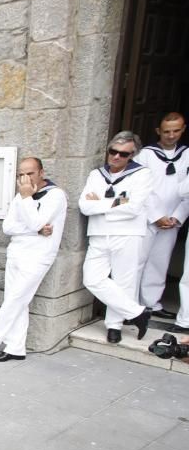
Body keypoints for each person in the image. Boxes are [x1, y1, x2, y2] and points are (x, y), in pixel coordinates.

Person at [0, 158, 67, 362]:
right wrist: (36, 230)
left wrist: (29, 204)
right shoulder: (19, 196)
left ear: (41, 172)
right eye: (21, 174)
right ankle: (16, 348)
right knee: (17, 301)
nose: (25, 178)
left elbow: (37, 220)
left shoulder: (55, 195)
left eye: (30, 173)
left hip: (38, 256)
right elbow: (8, 227)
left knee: (14, 301)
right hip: (16, 253)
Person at [79, 131, 153, 344]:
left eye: (123, 154)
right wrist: (119, 201)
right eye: (113, 151)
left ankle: (114, 326)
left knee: (124, 282)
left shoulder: (142, 174)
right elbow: (85, 206)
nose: (117, 157)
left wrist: (99, 203)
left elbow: (134, 207)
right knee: (92, 278)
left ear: (132, 155)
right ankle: (138, 313)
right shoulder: (96, 175)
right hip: (99, 233)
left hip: (128, 233)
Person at [135, 113, 188, 318]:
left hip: (172, 220)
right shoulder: (146, 155)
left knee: (160, 261)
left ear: (183, 130)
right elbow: (141, 189)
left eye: (176, 131)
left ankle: (152, 302)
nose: (171, 135)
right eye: (167, 131)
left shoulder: (187, 155)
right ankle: (132, 304)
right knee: (138, 260)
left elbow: (187, 192)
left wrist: (177, 216)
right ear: (159, 131)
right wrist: (156, 215)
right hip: (146, 218)